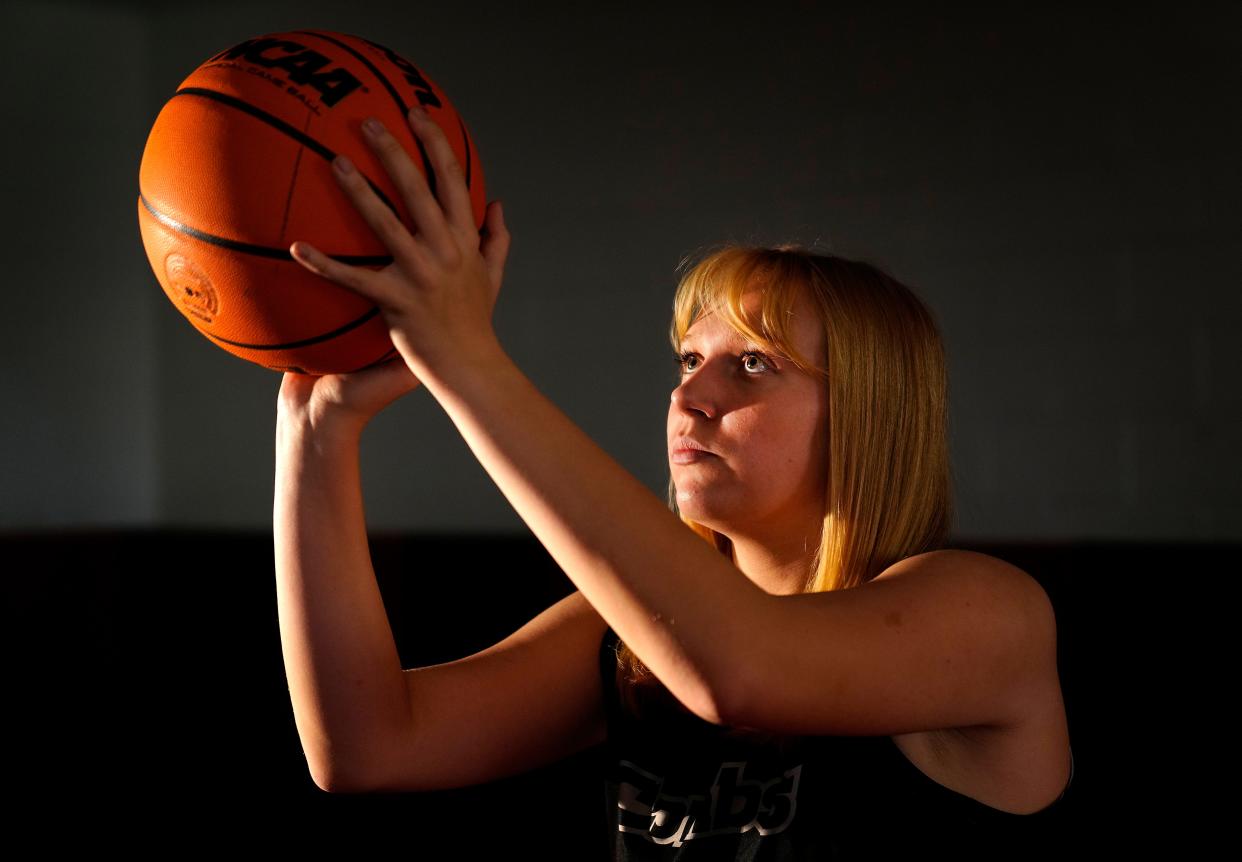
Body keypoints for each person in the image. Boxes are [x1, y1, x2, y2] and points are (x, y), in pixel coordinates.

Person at [274, 105, 1074, 859]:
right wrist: (315, 433)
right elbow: (367, 744)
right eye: (689, 360)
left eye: (752, 365)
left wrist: (465, 361)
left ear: (867, 412)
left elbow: (740, 671)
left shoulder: (987, 613)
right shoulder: (630, 639)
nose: (690, 396)